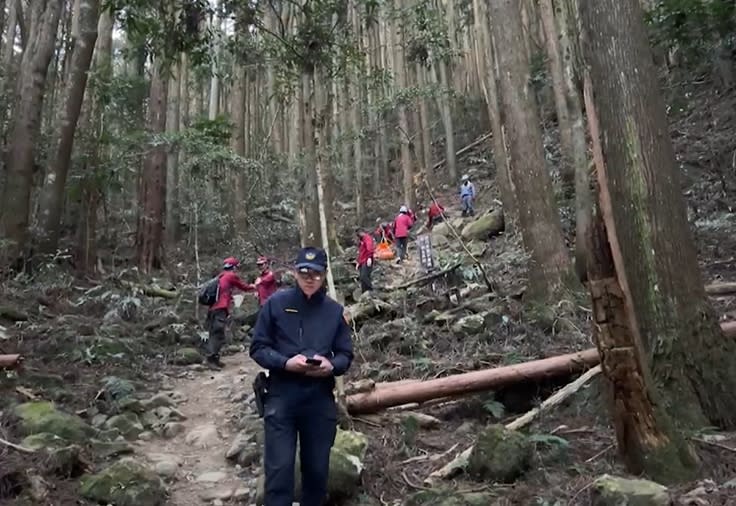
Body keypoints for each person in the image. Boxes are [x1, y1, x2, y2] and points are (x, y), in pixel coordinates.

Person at [249, 247, 354, 506]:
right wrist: (285, 362)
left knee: (317, 472)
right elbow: (258, 348)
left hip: (319, 400)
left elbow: (345, 355)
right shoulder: (276, 303)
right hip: (281, 396)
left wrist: (330, 365)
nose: (310, 278)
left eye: (316, 274)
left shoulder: (333, 311)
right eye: (304, 272)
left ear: (324, 275)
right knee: (279, 471)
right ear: (294, 273)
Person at [206, 257, 255, 369]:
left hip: (213, 309)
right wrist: (253, 286)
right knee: (217, 335)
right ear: (234, 267)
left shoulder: (220, 276)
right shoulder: (231, 276)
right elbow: (244, 287)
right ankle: (211, 360)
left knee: (215, 334)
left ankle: (215, 359)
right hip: (220, 309)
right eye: (237, 267)